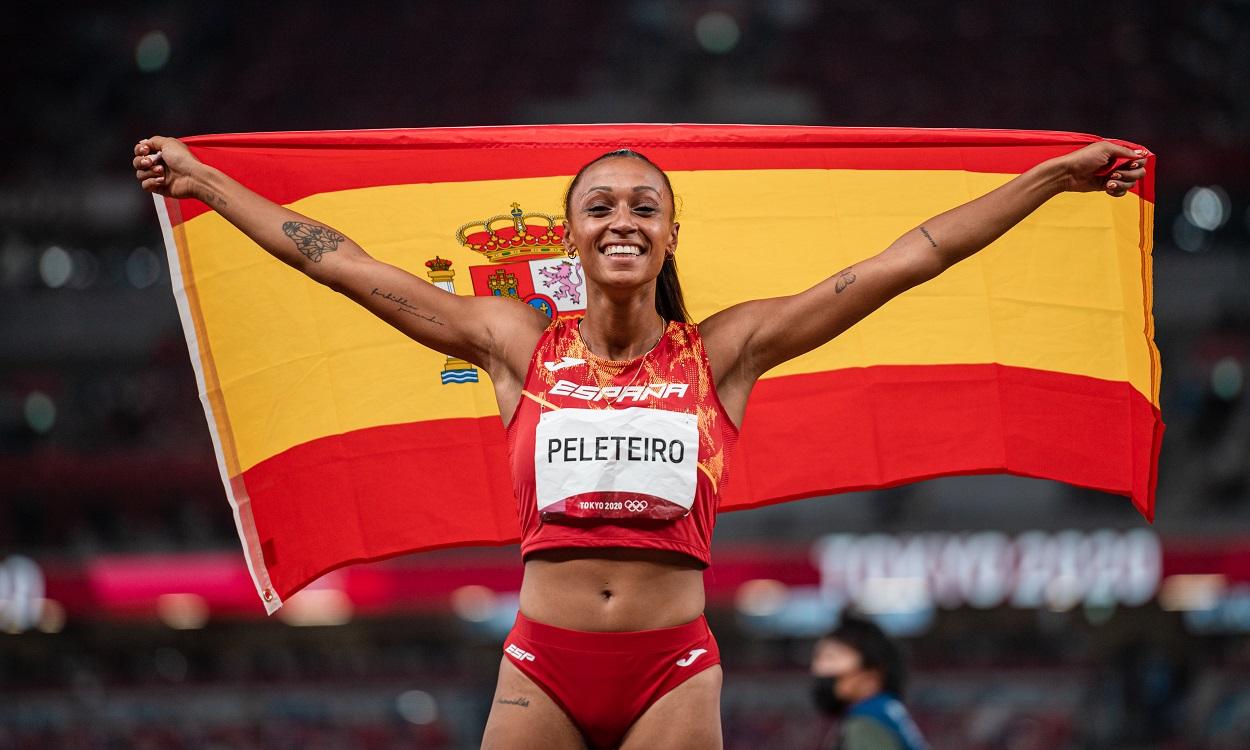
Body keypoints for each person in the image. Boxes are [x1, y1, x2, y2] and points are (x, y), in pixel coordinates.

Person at [132, 134, 1147, 749]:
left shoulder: (727, 352)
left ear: (668, 238)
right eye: (599, 206)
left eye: (643, 207)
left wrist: (1046, 181)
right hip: (539, 663)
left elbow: (908, 259)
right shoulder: (512, 342)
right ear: (569, 235)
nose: (622, 219)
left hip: (672, 669)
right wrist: (205, 184)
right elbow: (343, 265)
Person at [810, 614, 928, 750]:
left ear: (872, 673)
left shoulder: (865, 723)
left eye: (831, 658)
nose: (818, 669)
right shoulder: (886, 712)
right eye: (818, 659)